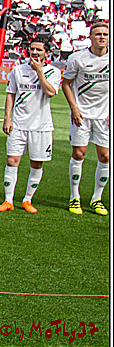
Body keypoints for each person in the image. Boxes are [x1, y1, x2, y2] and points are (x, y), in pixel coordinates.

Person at [0, 38, 61, 214]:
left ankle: (27, 199)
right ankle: (8, 200)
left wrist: (40, 72)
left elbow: (51, 92)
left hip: (41, 126)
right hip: (18, 124)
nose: (35, 52)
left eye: (39, 50)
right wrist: (7, 118)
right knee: (12, 161)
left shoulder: (53, 72)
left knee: (36, 163)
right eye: (32, 49)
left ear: (47, 53)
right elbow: (10, 94)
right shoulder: (18, 70)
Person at [62, 20, 109, 216]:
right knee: (79, 154)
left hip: (104, 116)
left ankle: (96, 198)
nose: (101, 37)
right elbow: (66, 84)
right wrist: (73, 108)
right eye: (98, 34)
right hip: (81, 113)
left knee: (106, 156)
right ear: (90, 37)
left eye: (105, 34)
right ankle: (75, 197)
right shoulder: (78, 58)